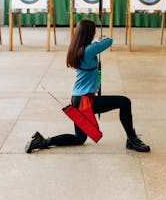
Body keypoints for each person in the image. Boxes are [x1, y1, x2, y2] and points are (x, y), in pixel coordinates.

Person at [25, 19, 150, 153]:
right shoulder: (89, 50)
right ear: (89, 33)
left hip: (77, 99)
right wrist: (98, 39)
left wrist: (95, 40)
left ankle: (43, 141)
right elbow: (109, 41)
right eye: (94, 32)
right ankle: (132, 139)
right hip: (85, 101)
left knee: (79, 138)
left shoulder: (76, 48)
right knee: (124, 102)